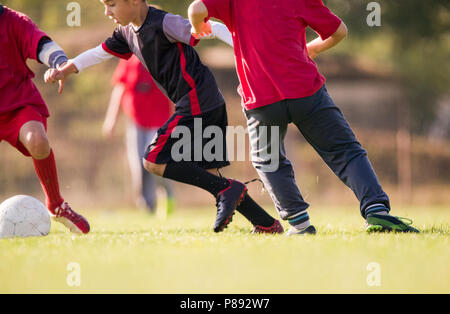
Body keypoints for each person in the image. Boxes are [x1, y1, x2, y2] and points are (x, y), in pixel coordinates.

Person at [45, 0, 283, 234]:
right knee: (211, 177)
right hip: (208, 101)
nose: (107, 12)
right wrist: (67, 67)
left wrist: (250, 53)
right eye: (104, 6)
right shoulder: (126, 33)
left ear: (135, 2)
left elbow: (215, 28)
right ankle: (266, 223)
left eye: (112, 4)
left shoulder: (164, 22)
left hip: (197, 101)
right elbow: (99, 53)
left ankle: (230, 190)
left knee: (153, 159)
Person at [188, 0, 420, 234]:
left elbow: (197, 9)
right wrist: (315, 48)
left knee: (269, 161)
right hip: (306, 92)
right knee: (345, 151)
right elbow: (339, 31)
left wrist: (199, 28)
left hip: (262, 100)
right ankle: (377, 211)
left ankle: (299, 224)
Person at [0, 5, 90, 234]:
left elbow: (41, 44)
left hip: (18, 102)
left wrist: (59, 62)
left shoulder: (15, 21)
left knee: (38, 140)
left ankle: (56, 205)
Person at [104, 55, 175, 214]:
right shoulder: (129, 59)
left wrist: (178, 121)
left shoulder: (164, 56)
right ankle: (147, 206)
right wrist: (111, 120)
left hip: (160, 123)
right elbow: (120, 89)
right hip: (135, 122)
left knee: (154, 162)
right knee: (137, 165)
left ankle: (167, 194)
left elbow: (176, 91)